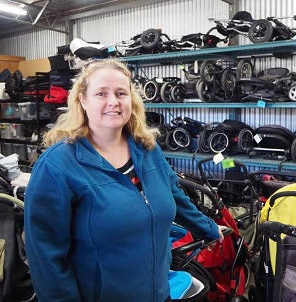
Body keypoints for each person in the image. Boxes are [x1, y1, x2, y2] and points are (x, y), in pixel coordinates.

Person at [24, 58, 224, 302]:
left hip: (159, 294)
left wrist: (208, 227)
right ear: (82, 100)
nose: (113, 102)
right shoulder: (57, 166)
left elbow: (174, 196)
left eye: (121, 93)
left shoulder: (148, 150)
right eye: (101, 93)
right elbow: (46, 256)